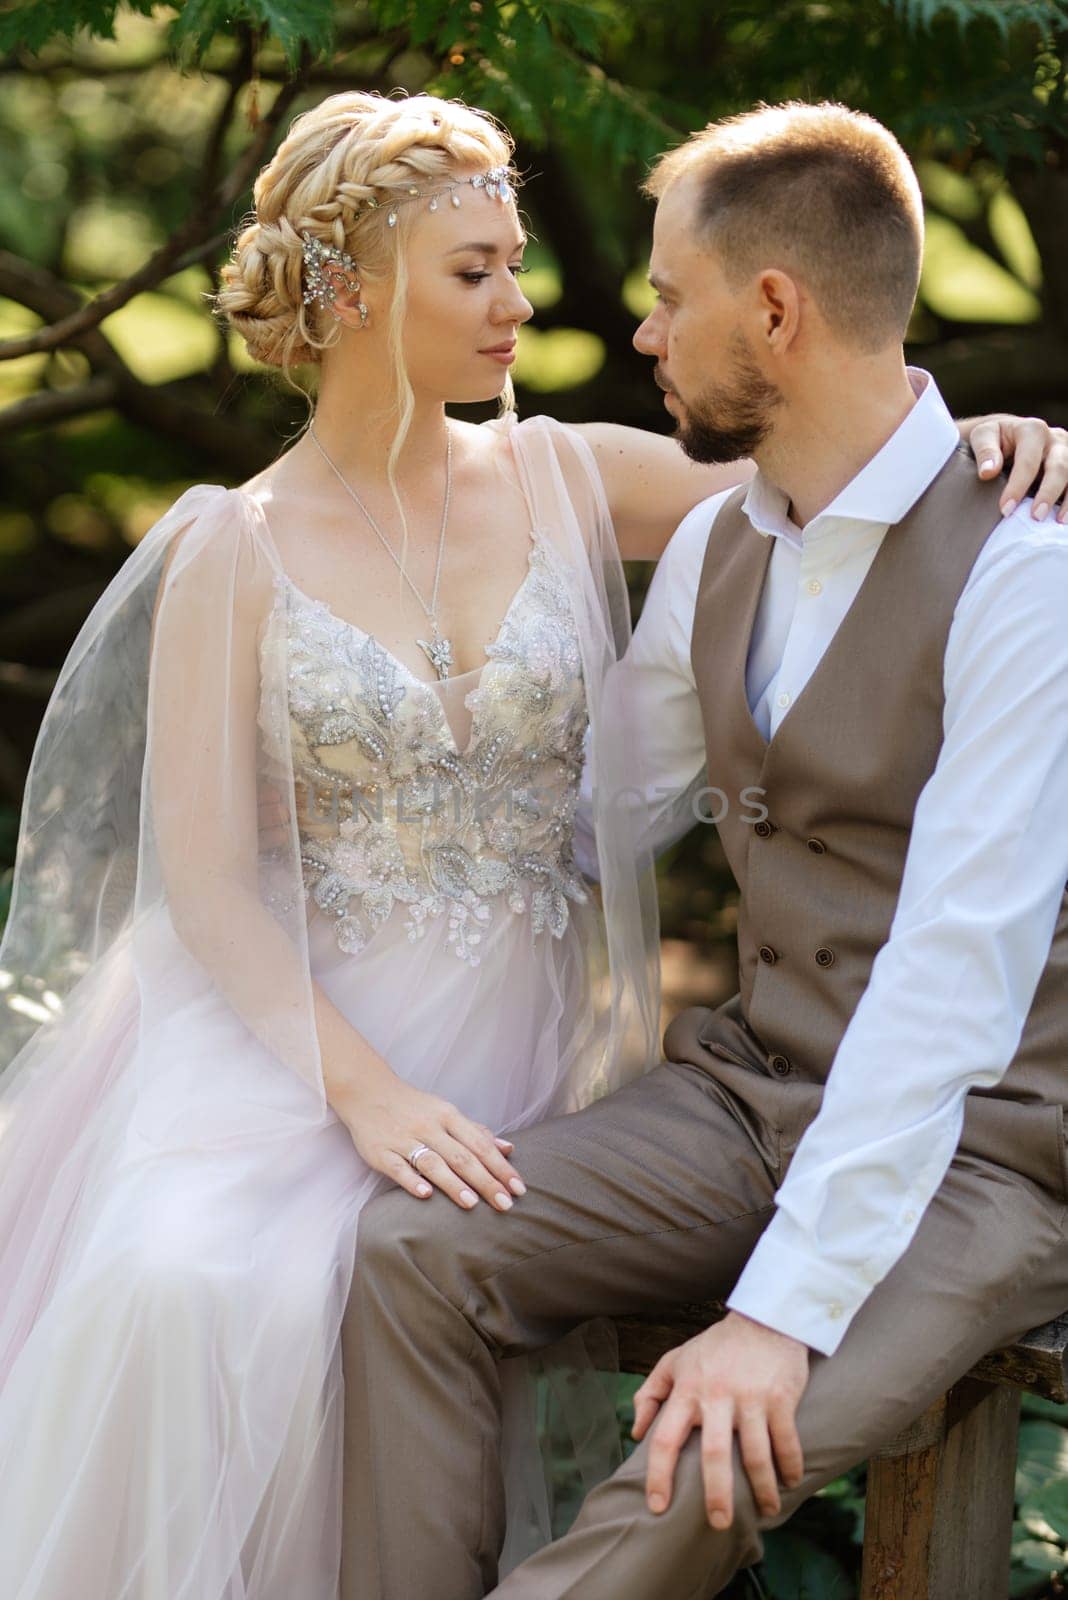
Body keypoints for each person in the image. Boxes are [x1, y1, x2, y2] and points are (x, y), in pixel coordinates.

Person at [0, 88, 1057, 1600]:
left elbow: (847, 470)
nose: (541, 308)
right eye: (477, 271)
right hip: (395, 1035)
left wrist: (997, 444)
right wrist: (365, 1084)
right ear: (354, 292)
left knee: (617, 1377)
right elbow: (225, 877)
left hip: (818, 1096)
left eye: (527, 267)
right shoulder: (243, 545)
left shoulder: (609, 484)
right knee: (269, 1269)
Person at [338, 101, 1068, 1600]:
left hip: (984, 1160)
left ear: (777, 311)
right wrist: (351, 736)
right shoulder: (732, 540)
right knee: (414, 1254)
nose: (644, 332)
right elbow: (589, 805)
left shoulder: (1024, 573)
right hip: (745, 1102)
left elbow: (950, 985)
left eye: (671, 299)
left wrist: (778, 1316)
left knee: (709, 1442)